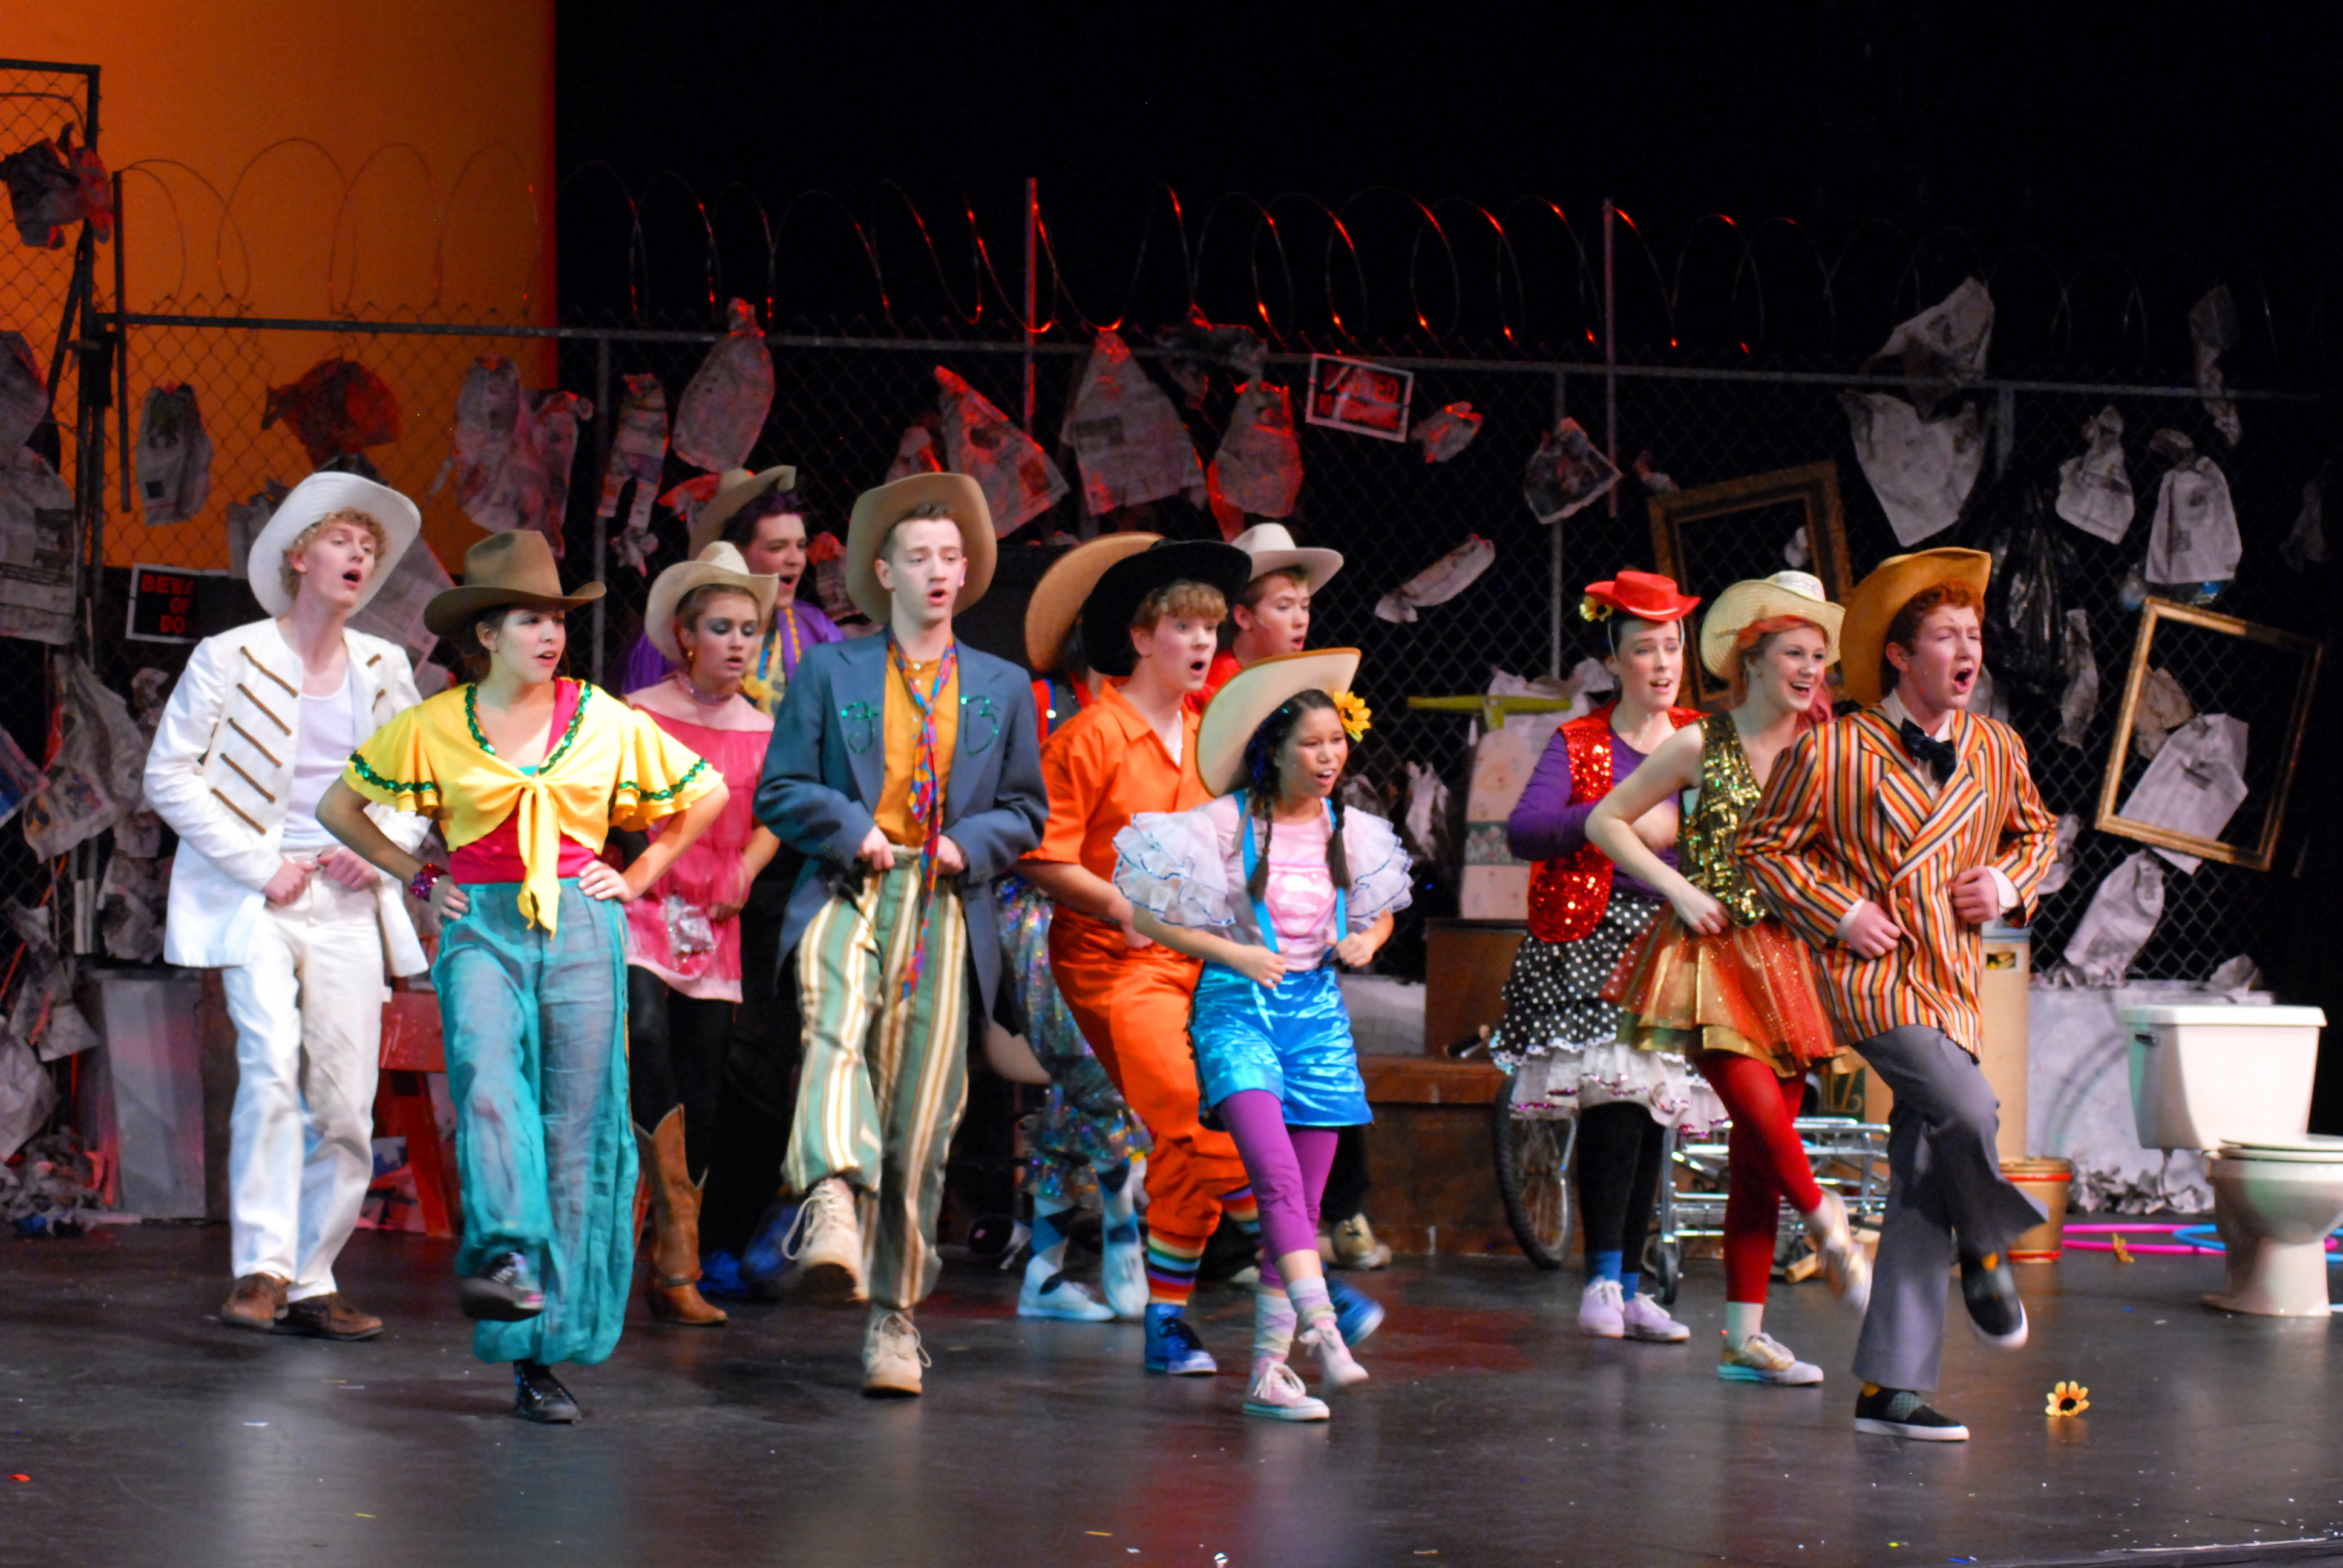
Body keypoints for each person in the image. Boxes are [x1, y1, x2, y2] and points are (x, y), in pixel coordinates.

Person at [316, 530, 726, 1423]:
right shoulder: (436, 723)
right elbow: (338, 806)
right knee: (491, 1090)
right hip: (483, 926)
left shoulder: (601, 717)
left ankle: (542, 1354)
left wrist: (640, 874)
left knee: (578, 1126)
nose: (548, 636)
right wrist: (420, 877)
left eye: (556, 621)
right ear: (487, 635)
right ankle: (505, 1256)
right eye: (529, 621)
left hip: (580, 923)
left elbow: (707, 793)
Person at [1737, 549, 2059, 1443]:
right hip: (1867, 978)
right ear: (1899, 655)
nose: (1968, 652)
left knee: (1923, 1165)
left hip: (1951, 980)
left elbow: (2038, 834)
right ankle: (1987, 1247)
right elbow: (1762, 849)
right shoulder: (1833, 748)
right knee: (1968, 1106)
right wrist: (1839, 912)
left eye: (1973, 636)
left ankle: (1891, 1386)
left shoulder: (1996, 748)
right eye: (1946, 636)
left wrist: (2006, 883)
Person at [756, 472, 1046, 1397]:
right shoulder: (830, 670)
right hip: (850, 885)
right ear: (883, 574)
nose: (938, 571)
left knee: (923, 1114)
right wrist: (851, 827)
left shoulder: (1002, 685)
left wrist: (970, 843)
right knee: (833, 1020)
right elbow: (780, 788)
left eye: (950, 557)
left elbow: (1025, 810)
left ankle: (894, 1317)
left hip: (942, 901)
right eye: (919, 557)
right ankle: (831, 1199)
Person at [142, 472, 431, 1343]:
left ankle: (312, 1278)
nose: (358, 556)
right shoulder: (229, 655)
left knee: (344, 1096)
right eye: (342, 541)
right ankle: (261, 1269)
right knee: (270, 1065)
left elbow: (418, 783)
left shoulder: (383, 666)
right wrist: (259, 865)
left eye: (369, 548)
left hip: (347, 898)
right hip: (258, 895)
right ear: (300, 557)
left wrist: (377, 845)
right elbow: (169, 774)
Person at [1589, 571, 1870, 1388]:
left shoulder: (1827, 751)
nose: (1810, 669)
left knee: (1756, 1153)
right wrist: (1676, 888)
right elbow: (1607, 819)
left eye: (1818, 655)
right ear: (1751, 660)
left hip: (1792, 961)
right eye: (1794, 653)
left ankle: (1743, 1337)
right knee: (1759, 1115)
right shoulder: (1699, 743)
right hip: (1710, 957)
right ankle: (1829, 1222)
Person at [1115, 651, 1412, 1422]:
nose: (1327, 757)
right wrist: (1233, 953)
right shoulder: (1226, 822)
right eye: (1311, 744)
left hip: (1317, 1022)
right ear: (1274, 751)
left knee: (1302, 1206)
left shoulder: (1350, 829)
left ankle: (1269, 1374)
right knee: (1274, 1180)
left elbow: (1380, 910)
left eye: (1335, 742)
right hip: (1237, 1010)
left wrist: (1367, 940)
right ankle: (1325, 1333)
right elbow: (1144, 915)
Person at [1017, 538, 1270, 1378]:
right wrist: (1124, 906)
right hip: (1114, 965)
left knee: (1184, 1138)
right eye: (1183, 627)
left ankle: (1166, 1320)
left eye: (1210, 629)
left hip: (1198, 965)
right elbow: (1042, 857)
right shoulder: (1091, 737)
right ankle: (1298, 1268)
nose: (1202, 643)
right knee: (1197, 1116)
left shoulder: (1208, 737)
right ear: (1140, 638)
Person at [1486, 570, 1717, 1343]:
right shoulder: (1580, 741)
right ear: (1614, 661)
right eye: (1644, 649)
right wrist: (1610, 817)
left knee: (1653, 1115)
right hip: (1592, 939)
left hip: (1673, 940)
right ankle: (1601, 1279)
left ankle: (1631, 1285)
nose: (1662, 663)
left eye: (1671, 647)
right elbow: (1524, 830)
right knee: (1616, 1105)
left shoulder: (1701, 737)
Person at [1195, 523, 1392, 1275]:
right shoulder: (1217, 696)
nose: (1299, 618)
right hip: (1233, 920)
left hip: (1300, 931)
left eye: (1304, 605)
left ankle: (1324, 1222)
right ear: (1242, 616)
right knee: (1243, 1076)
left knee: (1325, 1055)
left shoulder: (1311, 698)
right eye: (1283, 605)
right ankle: (1248, 1238)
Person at [997, 533, 1164, 1324]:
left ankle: (1044, 1274)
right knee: (1099, 1073)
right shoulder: (1038, 701)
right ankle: (1124, 1227)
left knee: (1081, 1088)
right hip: (1042, 912)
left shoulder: (1155, 717)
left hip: (1131, 922)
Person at [619, 541, 784, 1326]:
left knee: (705, 1081)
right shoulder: (639, 714)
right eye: (721, 628)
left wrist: (746, 867)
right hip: (645, 907)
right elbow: (612, 806)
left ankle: (674, 1255)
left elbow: (776, 814)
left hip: (715, 920)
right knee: (647, 1044)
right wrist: (645, 869)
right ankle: (669, 1251)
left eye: (749, 629)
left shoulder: (765, 728)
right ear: (685, 636)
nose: (738, 643)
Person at [622, 464, 843, 712]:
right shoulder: (669, 635)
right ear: (736, 552)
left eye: (801, 546)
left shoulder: (817, 632)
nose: (796, 560)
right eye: (777, 547)